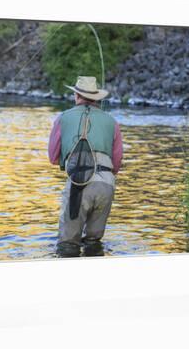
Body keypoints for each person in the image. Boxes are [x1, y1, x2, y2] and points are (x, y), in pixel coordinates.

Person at [48, 76, 123, 257]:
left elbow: (52, 157)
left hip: (78, 184)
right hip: (106, 184)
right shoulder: (112, 122)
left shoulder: (63, 118)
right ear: (97, 97)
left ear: (76, 95)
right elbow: (117, 161)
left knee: (67, 245)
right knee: (93, 243)